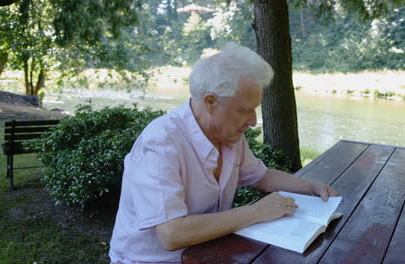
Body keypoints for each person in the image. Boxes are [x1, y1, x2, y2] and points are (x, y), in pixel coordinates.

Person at [109, 43, 338, 264]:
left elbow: (262, 176)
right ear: (210, 101)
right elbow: (172, 234)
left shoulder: (229, 136)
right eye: (244, 111)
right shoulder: (161, 143)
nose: (254, 122)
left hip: (207, 254)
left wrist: (311, 186)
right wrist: (256, 212)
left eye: (254, 110)